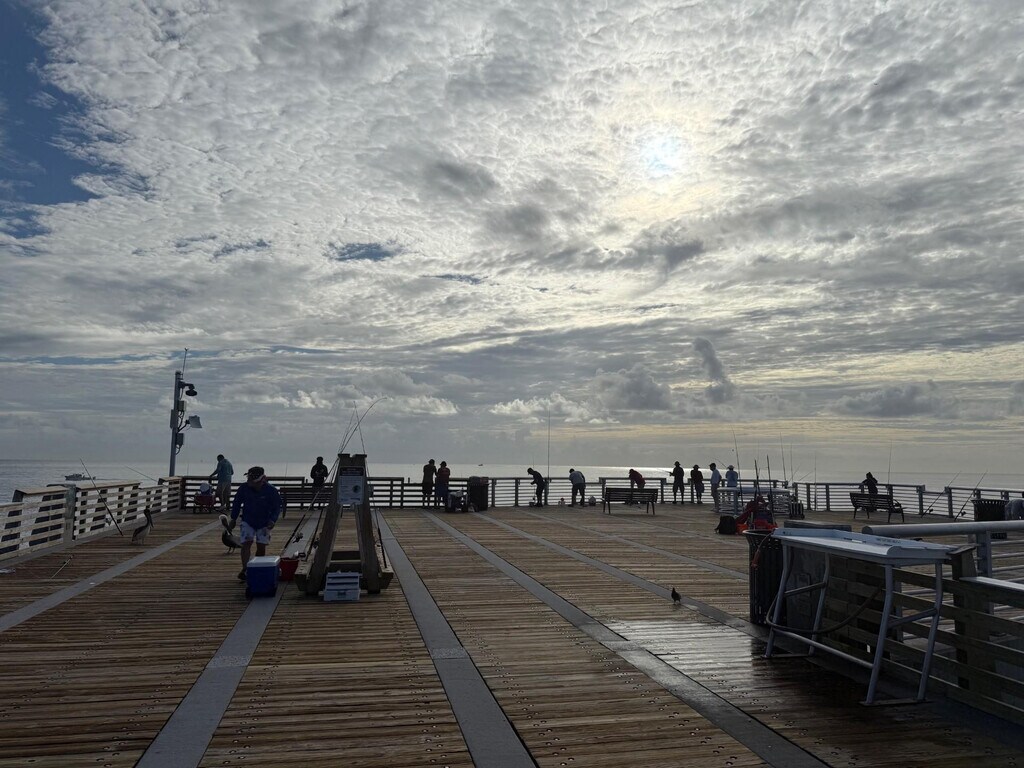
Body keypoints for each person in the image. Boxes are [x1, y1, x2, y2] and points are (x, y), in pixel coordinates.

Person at [228, 466, 282, 581]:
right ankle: (245, 569)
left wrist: (273, 520)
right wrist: (233, 518)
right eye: (249, 479)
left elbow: (277, 507)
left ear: (262, 479)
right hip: (248, 520)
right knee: (246, 543)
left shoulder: (271, 490)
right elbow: (237, 503)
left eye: (253, 480)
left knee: (261, 546)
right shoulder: (243, 488)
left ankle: (256, 567)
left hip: (265, 522)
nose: (250, 482)